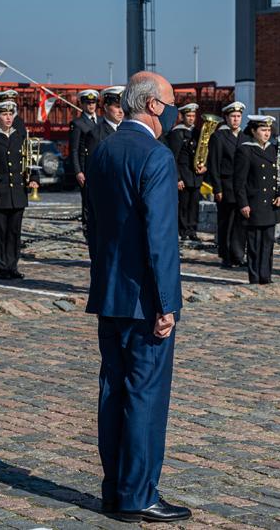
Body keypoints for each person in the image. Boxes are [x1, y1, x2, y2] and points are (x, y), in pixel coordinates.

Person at [85, 71, 191, 523]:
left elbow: (94, 226)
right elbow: (161, 239)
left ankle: (115, 490)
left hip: (109, 294)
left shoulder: (103, 150)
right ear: (151, 105)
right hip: (145, 299)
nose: (171, 110)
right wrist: (167, 303)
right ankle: (138, 494)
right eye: (168, 102)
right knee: (145, 397)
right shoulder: (156, 156)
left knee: (113, 392)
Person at [0, 101, 38, 280]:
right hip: (0, 191)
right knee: (0, 230)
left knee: (14, 231)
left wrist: (34, 179)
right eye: (4, 114)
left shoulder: (20, 136)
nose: (8, 117)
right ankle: (2, 266)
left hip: (18, 190)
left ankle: (13, 265)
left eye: (11, 114)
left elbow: (29, 159)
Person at [234, 115, 280, 284]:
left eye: (268, 130)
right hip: (254, 203)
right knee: (255, 244)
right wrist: (243, 203)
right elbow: (239, 181)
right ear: (253, 131)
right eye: (263, 130)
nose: (267, 133)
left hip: (271, 204)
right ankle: (255, 276)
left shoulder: (273, 149)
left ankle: (266, 276)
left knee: (268, 243)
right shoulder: (246, 150)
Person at [207, 101, 249, 268]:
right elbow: (214, 164)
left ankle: (238, 254)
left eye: (239, 117)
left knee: (240, 223)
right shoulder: (219, 137)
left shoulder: (245, 137)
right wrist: (217, 188)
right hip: (226, 186)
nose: (236, 120)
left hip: (242, 188)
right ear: (226, 117)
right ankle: (226, 255)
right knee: (227, 222)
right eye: (233, 116)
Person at [164, 103, 204, 241]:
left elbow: (204, 153)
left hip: (195, 176)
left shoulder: (197, 133)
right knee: (184, 205)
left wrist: (204, 166)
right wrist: (177, 178)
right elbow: (173, 157)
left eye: (193, 116)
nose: (191, 118)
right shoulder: (177, 133)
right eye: (189, 116)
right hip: (184, 175)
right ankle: (183, 230)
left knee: (194, 205)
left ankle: (192, 230)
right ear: (182, 116)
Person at [70, 89, 100, 240]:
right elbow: (74, 150)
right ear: (82, 104)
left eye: (93, 102)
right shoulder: (78, 123)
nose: (91, 106)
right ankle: (88, 232)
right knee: (88, 203)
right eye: (88, 103)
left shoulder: (101, 121)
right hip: (86, 168)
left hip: (100, 167)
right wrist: (78, 171)